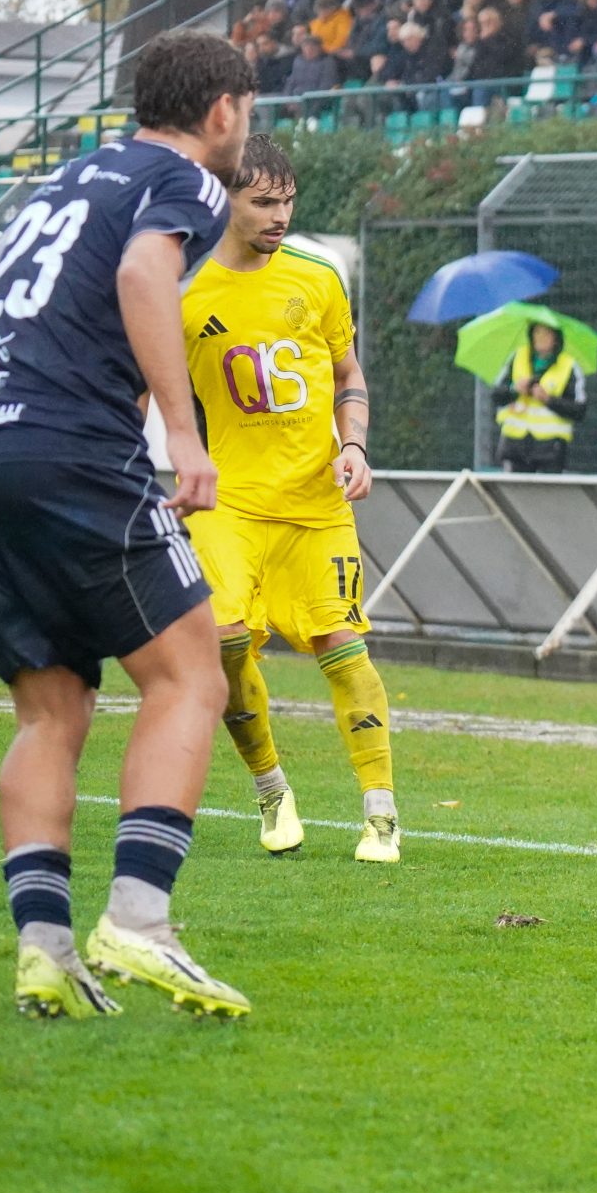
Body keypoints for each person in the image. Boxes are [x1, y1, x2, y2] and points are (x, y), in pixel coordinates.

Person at [0, 29, 254, 1020]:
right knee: (190, 674)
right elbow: (143, 278)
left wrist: (15, 423)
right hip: (71, 455)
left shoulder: (58, 183)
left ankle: (44, 951)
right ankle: (140, 920)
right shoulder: (188, 181)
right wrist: (182, 437)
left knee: (51, 710)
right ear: (222, 111)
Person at [176, 133, 397, 864]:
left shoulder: (318, 277)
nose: (280, 216)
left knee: (344, 647)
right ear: (225, 201)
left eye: (288, 201)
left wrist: (354, 446)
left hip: (316, 503)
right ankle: (271, 788)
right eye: (264, 202)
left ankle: (381, 813)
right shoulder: (184, 290)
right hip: (230, 502)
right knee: (226, 641)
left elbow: (347, 373)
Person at [491, 321, 588, 472]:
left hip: (550, 450)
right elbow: (496, 395)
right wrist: (514, 389)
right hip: (515, 448)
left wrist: (548, 400)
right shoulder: (517, 357)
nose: (541, 337)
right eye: (537, 332)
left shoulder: (569, 366)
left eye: (546, 333)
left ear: (556, 338)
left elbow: (579, 410)